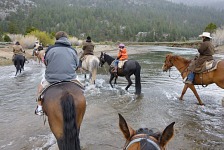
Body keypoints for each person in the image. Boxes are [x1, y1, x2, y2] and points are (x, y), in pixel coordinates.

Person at [35, 31, 79, 115]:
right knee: (82, 88)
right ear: (67, 39)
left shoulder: (50, 49)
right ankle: (84, 101)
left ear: (56, 39)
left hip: (52, 78)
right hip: (70, 78)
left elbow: (46, 63)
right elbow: (77, 66)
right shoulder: (73, 50)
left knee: (40, 88)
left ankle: (39, 108)